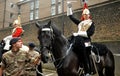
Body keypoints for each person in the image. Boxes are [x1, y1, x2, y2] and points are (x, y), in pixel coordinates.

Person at [67, 1, 95, 76]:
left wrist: (78, 33)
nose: (85, 15)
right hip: (78, 40)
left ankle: (87, 71)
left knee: (84, 52)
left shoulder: (91, 23)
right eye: (84, 14)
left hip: (86, 41)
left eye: (86, 14)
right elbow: (71, 17)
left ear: (89, 15)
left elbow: (90, 33)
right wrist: (69, 7)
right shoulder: (80, 23)